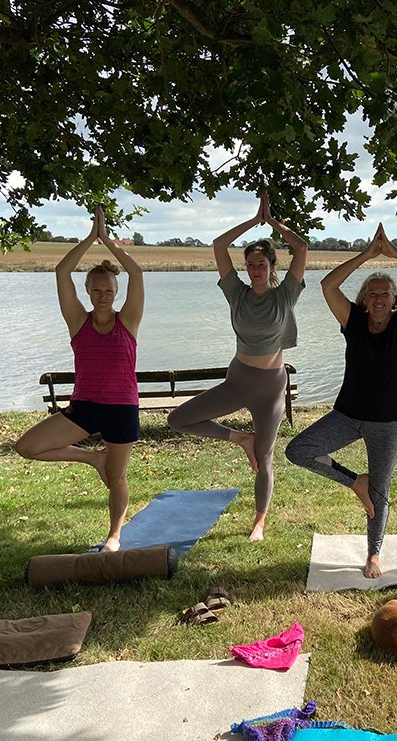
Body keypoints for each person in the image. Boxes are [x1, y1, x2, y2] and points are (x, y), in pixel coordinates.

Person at [286, 225, 397, 578]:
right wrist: (367, 255)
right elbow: (328, 285)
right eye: (372, 294)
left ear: (394, 299)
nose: (379, 299)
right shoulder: (352, 320)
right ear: (364, 300)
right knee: (299, 450)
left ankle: (373, 554)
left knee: (380, 491)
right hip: (348, 415)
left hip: (389, 422)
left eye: (385, 293)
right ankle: (355, 481)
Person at [168, 191, 306, 541]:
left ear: (272, 267)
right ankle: (239, 438)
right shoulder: (237, 293)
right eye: (251, 264)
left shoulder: (286, 294)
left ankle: (259, 520)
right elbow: (218, 245)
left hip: (271, 387)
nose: (255, 269)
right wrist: (252, 220)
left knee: (265, 457)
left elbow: (301, 249)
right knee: (178, 419)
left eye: (262, 264)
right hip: (238, 380)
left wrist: (273, 223)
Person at [15, 208, 144, 552]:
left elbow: (136, 271)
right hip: (84, 407)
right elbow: (62, 270)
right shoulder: (78, 321)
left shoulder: (128, 320)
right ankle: (93, 458)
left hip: (121, 408)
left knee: (116, 479)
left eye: (108, 290)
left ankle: (114, 535)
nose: (102, 295)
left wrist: (110, 242)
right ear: (87, 290)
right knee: (27, 447)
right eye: (96, 289)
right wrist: (90, 239)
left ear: (116, 291)